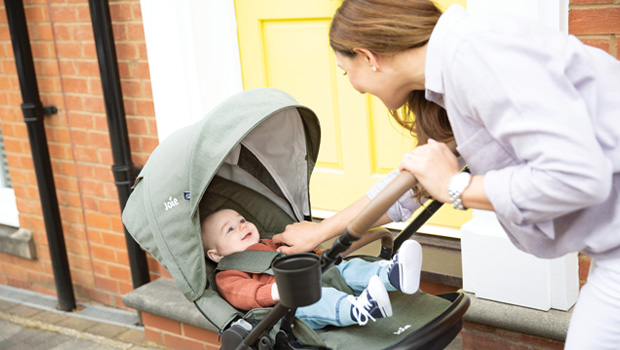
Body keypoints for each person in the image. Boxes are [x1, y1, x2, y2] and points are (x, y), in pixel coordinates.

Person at [271, 0, 620, 349]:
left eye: (347, 73)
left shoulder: (476, 55)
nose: (356, 88)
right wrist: (322, 231)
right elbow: (409, 187)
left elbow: (577, 175)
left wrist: (456, 187)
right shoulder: (450, 78)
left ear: (368, 56)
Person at [202, 208, 423, 330]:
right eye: (230, 229)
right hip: (291, 305)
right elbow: (244, 293)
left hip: (319, 273)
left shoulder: (273, 242)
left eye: (242, 219)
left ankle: (391, 275)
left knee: (347, 267)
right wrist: (276, 291)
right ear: (216, 255)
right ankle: (358, 309)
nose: (241, 226)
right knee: (318, 300)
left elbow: (305, 253)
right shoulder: (228, 273)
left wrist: (323, 256)